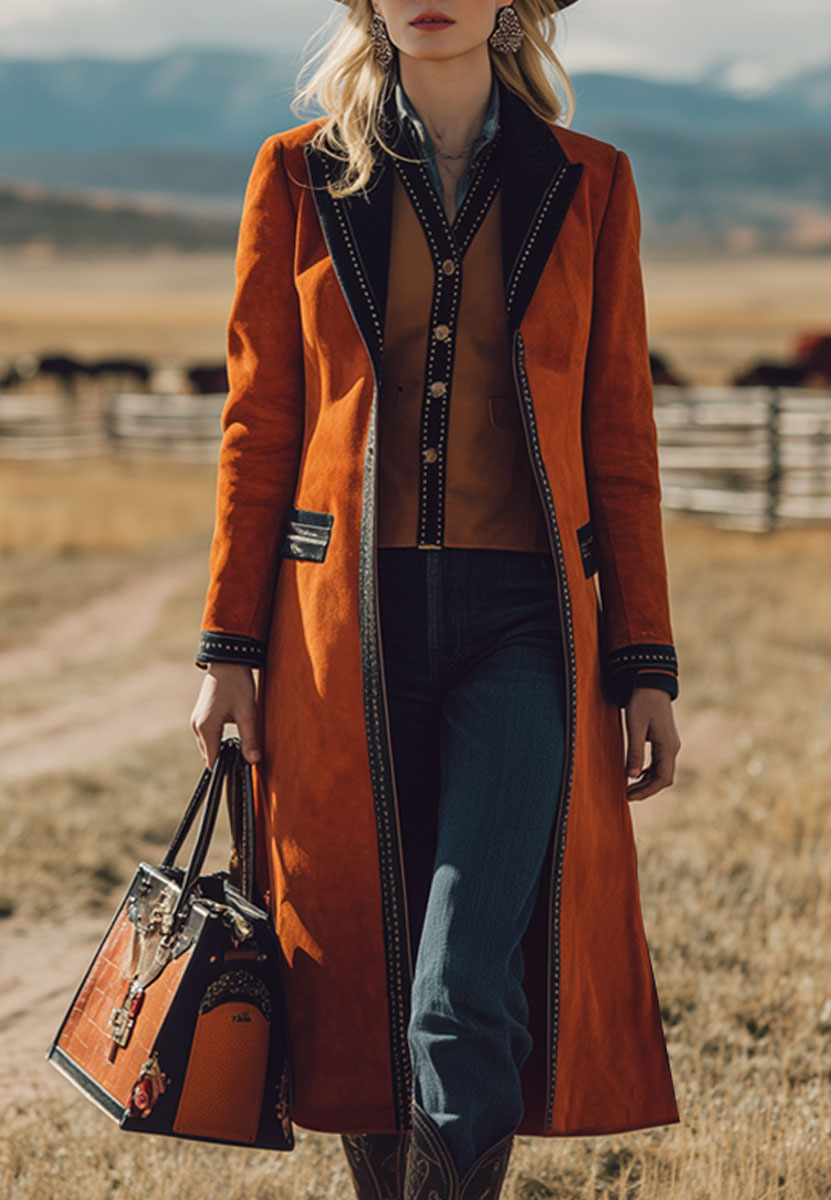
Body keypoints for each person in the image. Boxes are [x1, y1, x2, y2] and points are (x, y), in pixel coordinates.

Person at [189, 2, 682, 1198]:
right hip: (338, 630)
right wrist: (227, 645)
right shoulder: (299, 173)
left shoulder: (589, 183)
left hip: (523, 629)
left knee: (462, 988)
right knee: (357, 971)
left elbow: (619, 434)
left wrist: (647, 661)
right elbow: (261, 425)